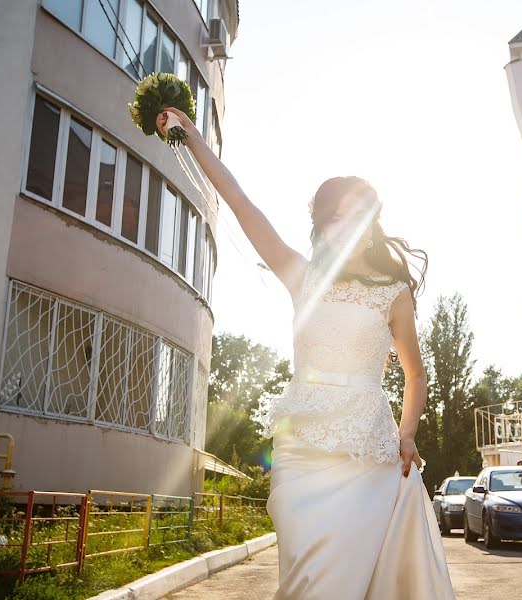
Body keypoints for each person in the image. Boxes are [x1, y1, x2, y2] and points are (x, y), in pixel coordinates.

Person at [155, 108, 455, 599]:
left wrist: (407, 434)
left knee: (343, 579)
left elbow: (415, 375)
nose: (345, 228)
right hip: (300, 453)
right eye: (334, 219)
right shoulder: (301, 275)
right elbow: (241, 203)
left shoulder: (393, 292)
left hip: (367, 454)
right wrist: (192, 138)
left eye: (354, 217)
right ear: (322, 226)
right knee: (307, 579)